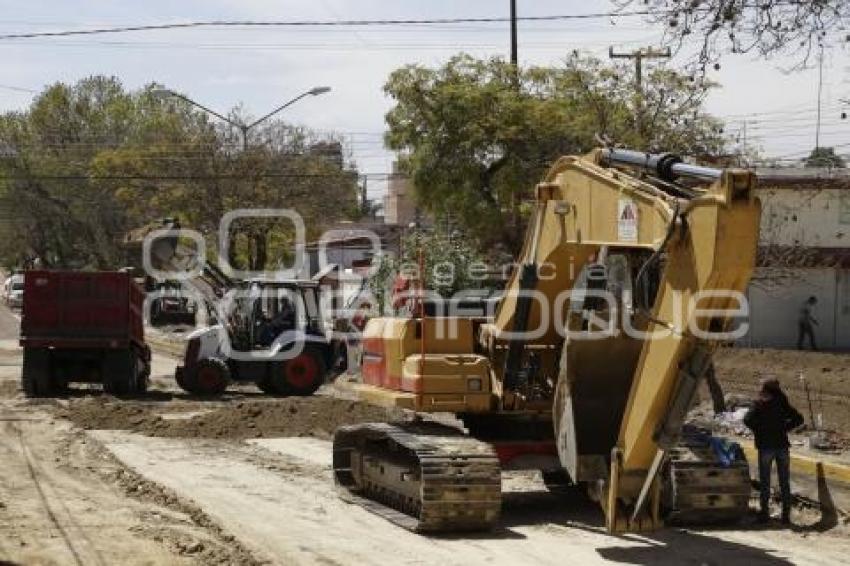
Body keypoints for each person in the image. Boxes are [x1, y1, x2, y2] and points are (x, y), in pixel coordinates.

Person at [743, 378, 804, 525]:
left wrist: (760, 430)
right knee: (784, 483)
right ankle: (785, 517)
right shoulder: (782, 402)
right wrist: (784, 428)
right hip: (782, 447)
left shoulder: (759, 403)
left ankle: (764, 514)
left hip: (765, 448)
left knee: (765, 481)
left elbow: (747, 419)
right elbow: (798, 418)